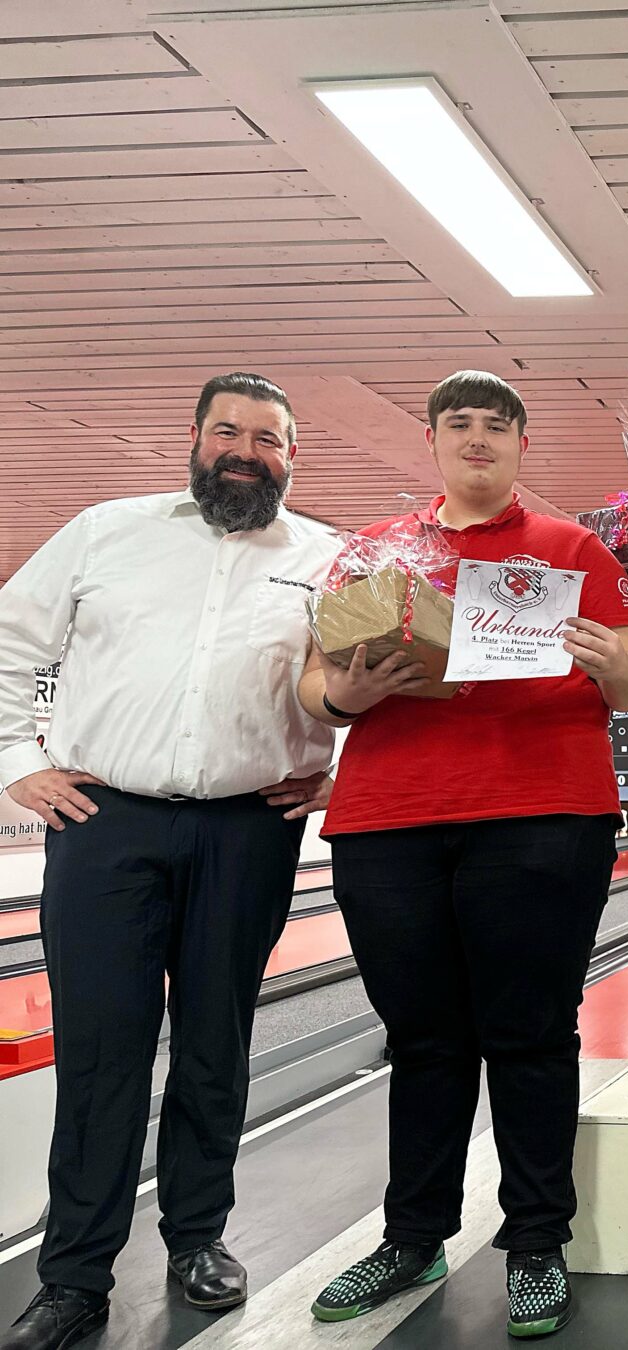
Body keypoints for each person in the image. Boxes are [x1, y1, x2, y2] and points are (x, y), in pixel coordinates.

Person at [300, 371, 628, 1340]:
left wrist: (614, 662)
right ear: (432, 440)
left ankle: (536, 1243)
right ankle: (413, 1237)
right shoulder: (375, 552)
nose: (478, 439)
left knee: (530, 1034)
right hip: (389, 818)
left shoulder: (573, 550)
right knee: (421, 1040)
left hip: (541, 815)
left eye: (497, 426)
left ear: (521, 446)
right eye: (459, 424)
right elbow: (314, 685)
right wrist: (348, 695)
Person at [0, 374, 336, 1350]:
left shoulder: (325, 557)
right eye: (228, 431)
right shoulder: (106, 532)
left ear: (292, 455)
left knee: (214, 1043)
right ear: (194, 438)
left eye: (267, 438)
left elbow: (368, 676)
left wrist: (337, 767)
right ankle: (73, 1278)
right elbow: (9, 642)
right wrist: (18, 761)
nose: (245, 450)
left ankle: (197, 1238)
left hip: (248, 828)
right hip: (104, 823)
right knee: (101, 1051)